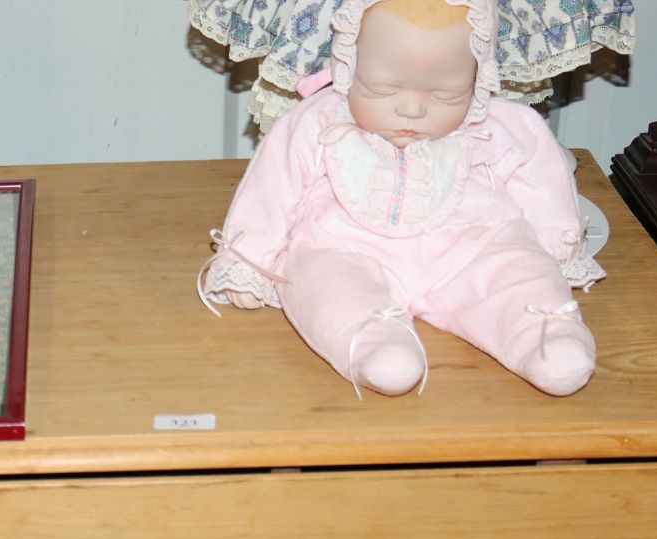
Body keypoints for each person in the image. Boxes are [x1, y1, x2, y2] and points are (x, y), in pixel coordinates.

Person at [199, 0, 603, 397]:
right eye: (382, 88)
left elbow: (542, 184)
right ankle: (373, 340)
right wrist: (250, 260)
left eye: (447, 94)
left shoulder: (500, 126)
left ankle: (543, 334)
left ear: (478, 80)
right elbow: (273, 188)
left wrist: (555, 248)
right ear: (348, 65)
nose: (412, 107)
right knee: (324, 280)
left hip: (471, 247)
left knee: (517, 270)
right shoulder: (318, 122)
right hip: (346, 247)